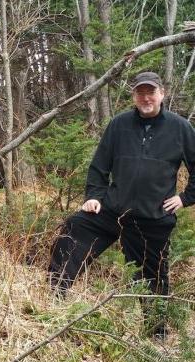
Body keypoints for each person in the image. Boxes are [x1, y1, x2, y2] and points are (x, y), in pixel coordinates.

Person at [48, 71, 195, 337]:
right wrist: (93, 196)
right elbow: (99, 166)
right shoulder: (119, 125)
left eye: (151, 92)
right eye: (140, 92)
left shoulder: (180, 128)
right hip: (113, 210)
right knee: (76, 228)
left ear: (162, 94)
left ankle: (156, 334)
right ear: (134, 96)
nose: (146, 97)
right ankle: (53, 296)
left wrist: (185, 199)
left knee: (154, 278)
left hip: (153, 218)